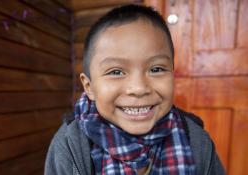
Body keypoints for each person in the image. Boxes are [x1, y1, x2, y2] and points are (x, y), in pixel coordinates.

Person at [44, 4, 225, 175]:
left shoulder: (196, 140)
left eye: (156, 69)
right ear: (89, 87)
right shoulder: (70, 145)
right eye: (116, 71)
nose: (138, 88)